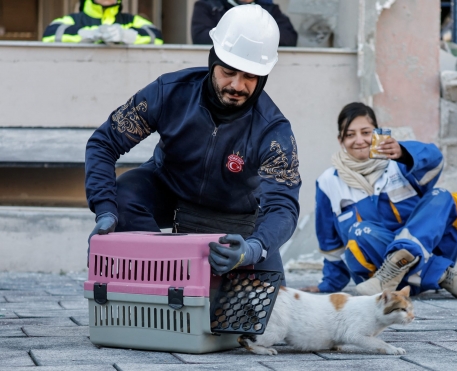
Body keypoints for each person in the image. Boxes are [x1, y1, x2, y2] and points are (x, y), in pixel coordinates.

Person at [85, 5, 301, 278]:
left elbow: (283, 206)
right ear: (213, 60)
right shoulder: (169, 92)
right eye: (228, 71)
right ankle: (167, 275)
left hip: (237, 220)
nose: (237, 85)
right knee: (124, 192)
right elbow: (104, 143)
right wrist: (104, 209)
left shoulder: (273, 131)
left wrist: (254, 248)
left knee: (264, 306)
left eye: (250, 76)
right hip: (169, 192)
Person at [302, 102, 457, 299]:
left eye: (366, 132)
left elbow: (435, 159)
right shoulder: (328, 182)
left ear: (377, 133)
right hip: (375, 279)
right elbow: (330, 242)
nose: (359, 140)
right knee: (359, 231)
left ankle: (402, 264)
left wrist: (402, 152)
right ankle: (442, 274)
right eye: (350, 135)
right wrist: (329, 285)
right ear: (340, 139)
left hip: (387, 281)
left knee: (445, 197)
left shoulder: (399, 164)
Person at [42, 0, 163, 45]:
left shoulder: (131, 21)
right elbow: (49, 34)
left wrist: (126, 35)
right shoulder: (74, 20)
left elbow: (156, 37)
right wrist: (88, 34)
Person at [191, 0, 298, 47]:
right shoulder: (208, 5)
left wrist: (260, 33)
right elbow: (201, 38)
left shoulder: (269, 9)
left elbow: (290, 38)